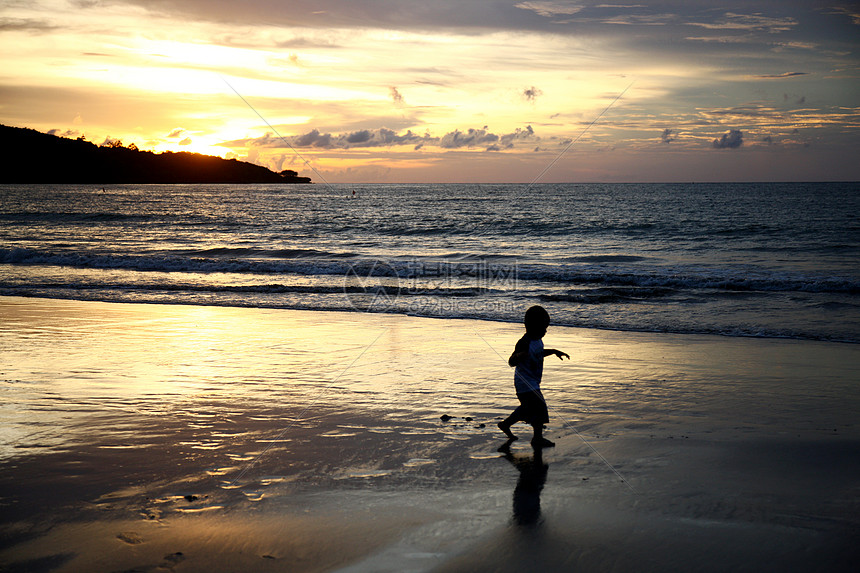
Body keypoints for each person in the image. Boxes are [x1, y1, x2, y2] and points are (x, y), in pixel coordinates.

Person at [498, 305, 569, 448]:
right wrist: (519, 356)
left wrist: (554, 351)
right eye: (543, 328)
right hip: (524, 382)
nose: (545, 331)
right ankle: (537, 438)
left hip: (533, 382)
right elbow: (511, 362)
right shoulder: (524, 342)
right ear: (530, 326)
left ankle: (505, 424)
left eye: (546, 328)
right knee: (539, 407)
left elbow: (539, 353)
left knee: (528, 408)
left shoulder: (537, 341)